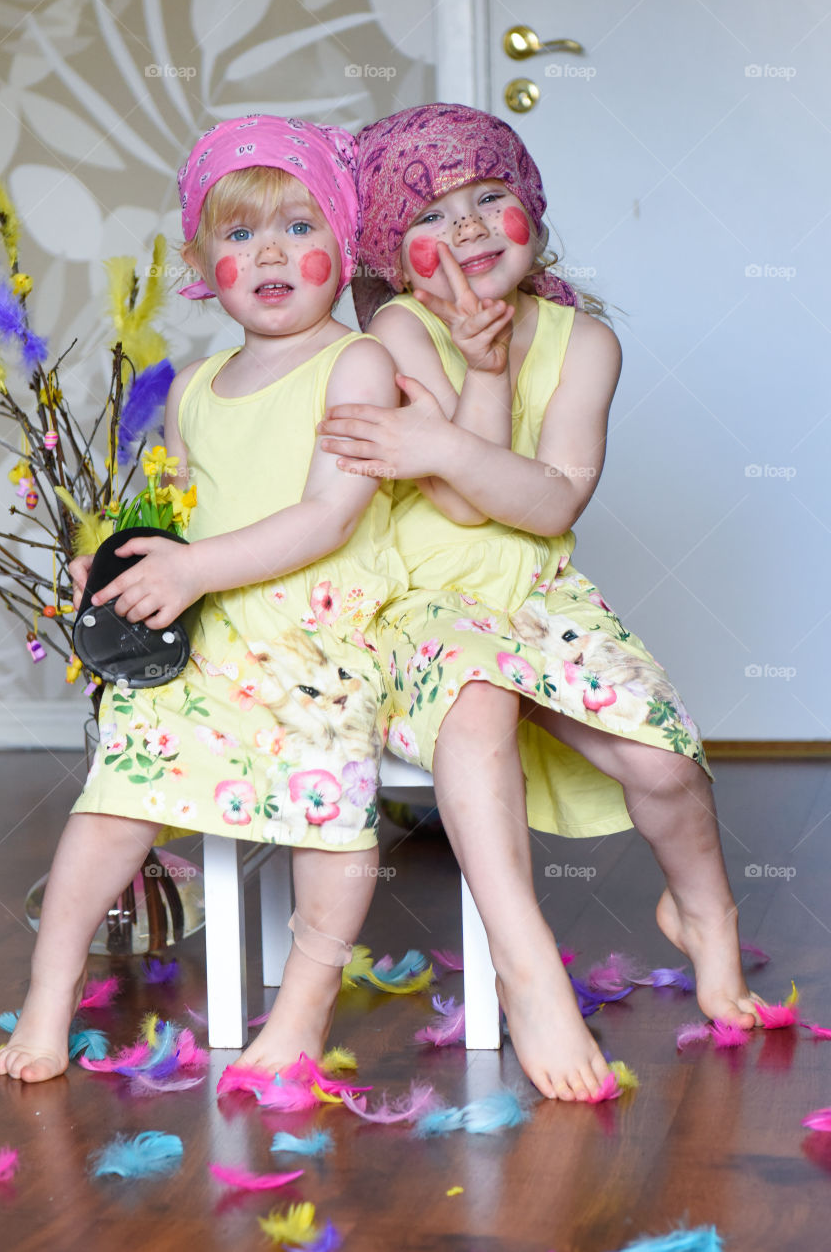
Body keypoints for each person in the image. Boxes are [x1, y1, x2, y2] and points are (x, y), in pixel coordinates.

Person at [317, 103, 762, 1102]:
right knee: (473, 707)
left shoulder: (585, 343)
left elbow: (552, 498)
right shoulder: (394, 328)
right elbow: (460, 515)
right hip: (421, 602)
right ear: (395, 251)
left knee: (663, 758)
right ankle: (526, 965)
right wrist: (476, 380)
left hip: (539, 591)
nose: (469, 227)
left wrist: (458, 423)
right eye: (435, 215)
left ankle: (707, 914)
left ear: (533, 212)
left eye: (489, 197)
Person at [0, 114, 408, 1082]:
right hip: (209, 634)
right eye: (238, 233)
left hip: (318, 636)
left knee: (329, 809)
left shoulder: (356, 364)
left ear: (346, 247)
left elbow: (327, 518)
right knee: (114, 794)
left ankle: (300, 1012)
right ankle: (48, 1001)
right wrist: (112, 563)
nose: (269, 251)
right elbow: (171, 515)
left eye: (301, 227)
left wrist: (191, 570)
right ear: (200, 259)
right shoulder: (196, 387)